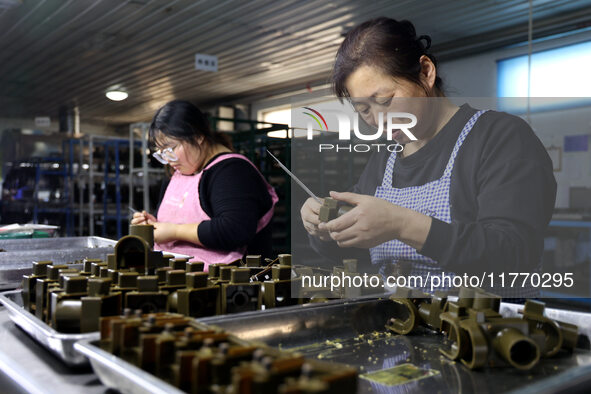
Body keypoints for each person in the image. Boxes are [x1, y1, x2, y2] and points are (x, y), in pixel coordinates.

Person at [300, 17, 556, 297]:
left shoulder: (499, 137)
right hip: (402, 326)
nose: (378, 120)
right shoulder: (384, 161)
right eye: (364, 110)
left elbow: (513, 253)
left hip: (485, 332)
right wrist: (323, 230)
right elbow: (356, 258)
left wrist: (401, 224)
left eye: (385, 101)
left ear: (425, 72)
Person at [131, 100, 278, 269]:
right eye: (162, 153)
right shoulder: (178, 171)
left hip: (225, 284)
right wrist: (153, 226)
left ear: (198, 136)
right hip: (172, 271)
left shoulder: (233, 172)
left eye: (171, 149)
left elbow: (234, 230)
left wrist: (174, 231)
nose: (168, 160)